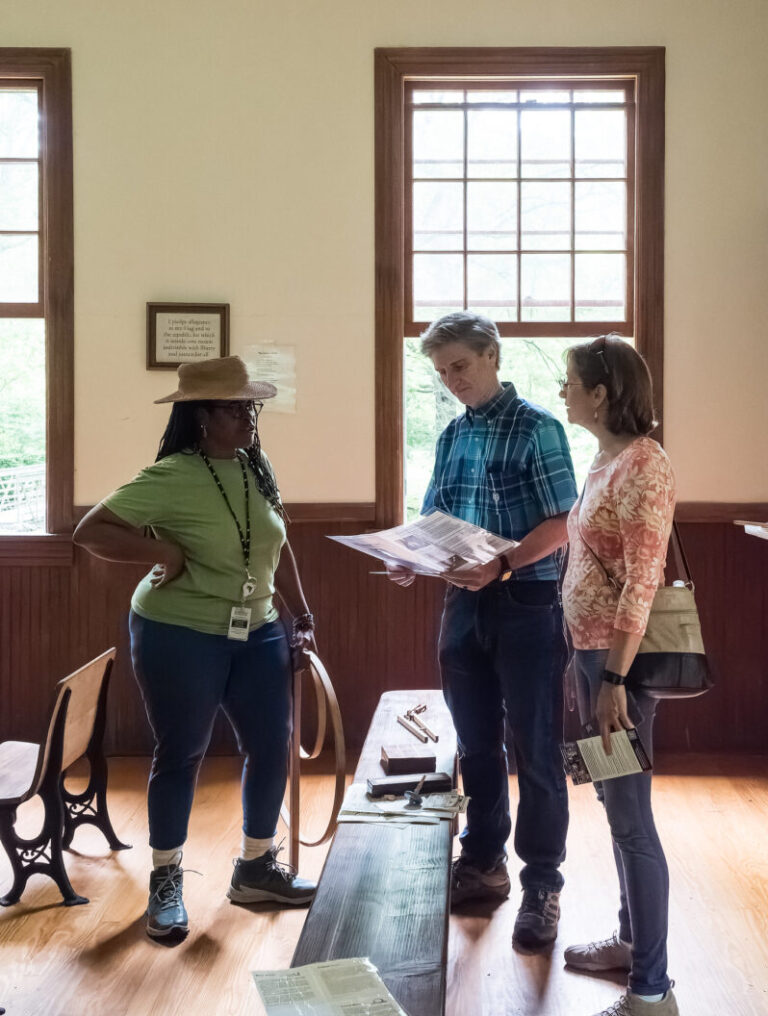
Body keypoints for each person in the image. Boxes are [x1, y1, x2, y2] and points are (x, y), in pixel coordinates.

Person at [74, 355, 316, 941]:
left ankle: (256, 868)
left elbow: (274, 548)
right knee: (182, 752)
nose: (249, 417)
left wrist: (300, 614)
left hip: (258, 632)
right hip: (178, 634)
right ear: (201, 417)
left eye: (249, 406)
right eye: (235, 408)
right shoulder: (172, 475)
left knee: (272, 744)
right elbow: (91, 531)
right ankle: (166, 881)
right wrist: (166, 554)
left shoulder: (258, 467)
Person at [390, 312, 578, 950]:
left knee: (538, 749)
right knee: (474, 744)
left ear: (492, 356)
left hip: (528, 602)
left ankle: (543, 884)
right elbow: (434, 516)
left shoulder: (539, 429)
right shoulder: (450, 435)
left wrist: (502, 563)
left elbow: (561, 524)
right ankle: (483, 864)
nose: (451, 381)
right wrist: (408, 556)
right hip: (461, 605)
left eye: (461, 366)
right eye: (441, 372)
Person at [559, 335, 679, 1016]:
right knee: (614, 806)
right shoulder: (605, 459)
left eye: (570, 381)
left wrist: (611, 683)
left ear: (601, 393)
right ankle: (633, 943)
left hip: (617, 669)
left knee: (631, 821)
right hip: (588, 655)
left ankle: (652, 991)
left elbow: (641, 584)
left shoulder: (644, 466)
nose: (563, 391)